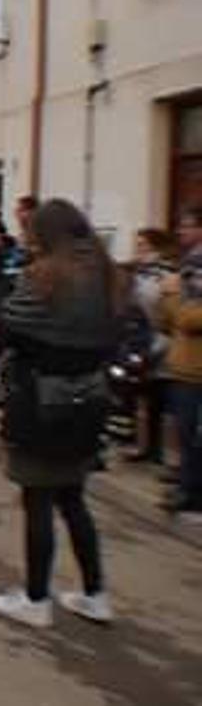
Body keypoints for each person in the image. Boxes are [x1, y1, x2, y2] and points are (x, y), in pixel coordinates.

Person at [0, 199, 118, 627]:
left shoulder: (44, 276)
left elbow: (11, 327)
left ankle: (36, 598)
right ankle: (95, 593)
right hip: (91, 397)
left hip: (42, 397)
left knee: (38, 497)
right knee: (74, 498)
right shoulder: (108, 274)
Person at [158, 208, 202, 524]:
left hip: (196, 367)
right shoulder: (187, 266)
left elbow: (191, 318)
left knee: (194, 433)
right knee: (184, 431)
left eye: (187, 226)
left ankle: (193, 497)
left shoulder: (194, 270)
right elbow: (167, 321)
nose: (180, 231)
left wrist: (172, 295)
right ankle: (186, 487)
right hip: (183, 362)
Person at [125, 228, 177, 464]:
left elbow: (165, 310)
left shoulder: (167, 275)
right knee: (143, 396)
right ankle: (144, 446)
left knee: (164, 398)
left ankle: (164, 452)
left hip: (164, 341)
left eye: (144, 245)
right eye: (137, 245)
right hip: (142, 339)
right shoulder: (138, 274)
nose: (139, 250)